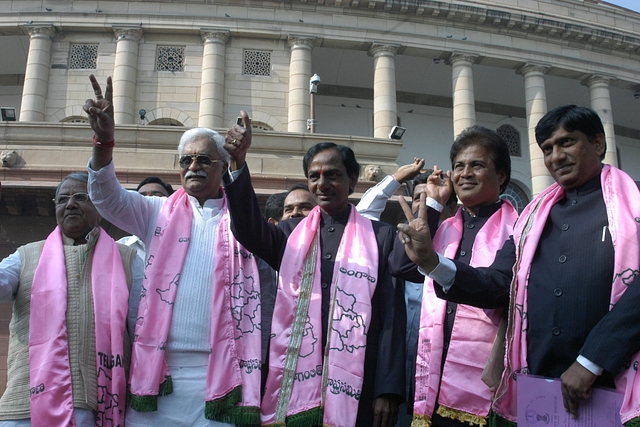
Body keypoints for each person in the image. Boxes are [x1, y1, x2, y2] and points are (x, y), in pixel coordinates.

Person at [398, 105, 640, 425]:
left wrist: (592, 360)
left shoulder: (633, 204)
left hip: (612, 377)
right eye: (547, 149)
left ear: (597, 143)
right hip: (538, 385)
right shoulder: (531, 221)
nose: (556, 156)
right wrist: (431, 262)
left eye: (567, 142)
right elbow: (498, 285)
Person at [84, 75, 262, 426]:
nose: (193, 167)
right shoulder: (157, 212)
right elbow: (106, 197)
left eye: (203, 160)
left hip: (225, 374)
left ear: (223, 166)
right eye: (186, 161)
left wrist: (242, 162)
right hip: (160, 378)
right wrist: (104, 143)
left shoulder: (242, 218)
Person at [223, 111, 405, 427]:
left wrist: (388, 389)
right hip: (296, 376)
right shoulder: (290, 233)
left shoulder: (381, 236)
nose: (322, 183)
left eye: (332, 175)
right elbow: (249, 231)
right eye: (314, 176)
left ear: (353, 179)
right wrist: (237, 164)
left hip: (362, 378)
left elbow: (392, 316)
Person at [393, 126, 517, 427]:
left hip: (488, 387)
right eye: (459, 166)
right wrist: (434, 204)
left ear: (501, 175)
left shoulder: (520, 227)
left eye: (477, 165)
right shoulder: (447, 226)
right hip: (432, 380)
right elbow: (403, 266)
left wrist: (435, 263)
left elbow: (498, 288)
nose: (465, 174)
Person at [0, 172, 143, 427]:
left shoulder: (128, 259)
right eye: (62, 199)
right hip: (24, 405)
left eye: (80, 197)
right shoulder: (26, 256)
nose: (70, 204)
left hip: (94, 406)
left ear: (99, 207)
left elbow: (140, 330)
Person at [118, 176, 175, 262]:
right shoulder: (120, 247)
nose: (148, 201)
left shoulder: (181, 246)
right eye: (142, 197)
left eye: (157, 196)